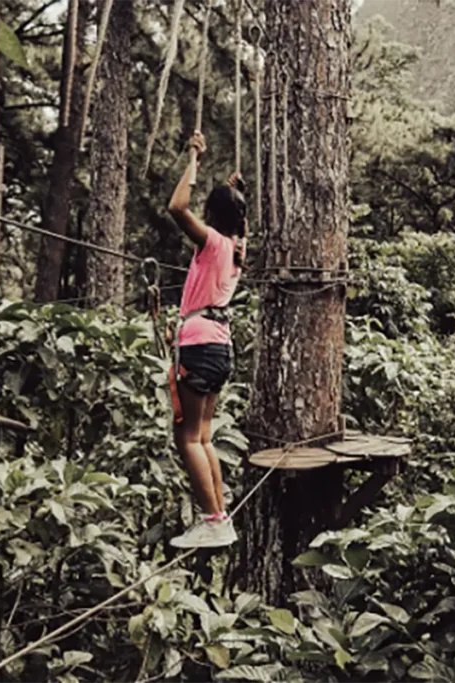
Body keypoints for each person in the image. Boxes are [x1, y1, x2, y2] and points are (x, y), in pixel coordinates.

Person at [165, 131, 247, 548]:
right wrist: (233, 194)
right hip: (220, 346)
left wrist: (194, 157)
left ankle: (212, 519)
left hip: (199, 344)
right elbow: (236, 219)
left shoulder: (214, 242)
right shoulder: (237, 248)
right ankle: (220, 516)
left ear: (211, 217)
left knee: (188, 438)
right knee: (205, 437)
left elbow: (177, 207)